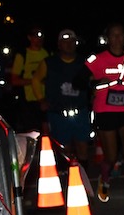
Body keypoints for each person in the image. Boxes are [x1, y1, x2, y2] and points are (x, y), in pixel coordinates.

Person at [86, 22, 124, 209]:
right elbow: (80, 80)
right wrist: (95, 83)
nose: (118, 39)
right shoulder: (98, 59)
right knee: (110, 157)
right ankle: (104, 179)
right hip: (105, 110)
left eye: (121, 35)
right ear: (108, 38)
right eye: (114, 35)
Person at [39, 29, 93, 174]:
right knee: (64, 147)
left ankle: (83, 176)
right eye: (65, 41)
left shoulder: (84, 62)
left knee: (83, 146)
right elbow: (35, 80)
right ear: (59, 44)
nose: (68, 44)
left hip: (80, 111)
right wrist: (41, 99)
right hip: (57, 112)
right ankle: (65, 176)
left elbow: (93, 80)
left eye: (72, 41)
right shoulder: (49, 62)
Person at [9, 25, 49, 134]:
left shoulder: (47, 54)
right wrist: (35, 80)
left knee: (47, 129)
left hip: (45, 98)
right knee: (32, 132)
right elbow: (14, 80)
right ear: (29, 37)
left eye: (40, 36)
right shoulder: (22, 55)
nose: (38, 39)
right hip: (28, 100)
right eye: (35, 36)